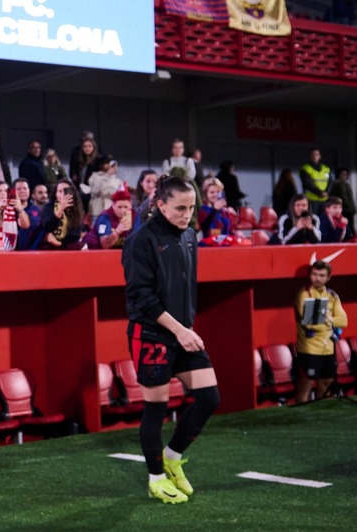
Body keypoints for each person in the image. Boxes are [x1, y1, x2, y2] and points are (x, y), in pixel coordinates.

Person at [121, 175, 221, 504]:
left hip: (182, 333)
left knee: (209, 397)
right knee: (156, 408)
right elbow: (142, 297)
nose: (186, 214)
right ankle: (156, 478)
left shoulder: (190, 235)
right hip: (151, 333)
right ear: (161, 205)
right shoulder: (140, 240)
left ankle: (173, 457)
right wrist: (179, 329)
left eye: (191, 208)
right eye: (180, 208)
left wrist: (186, 327)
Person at [294, 260, 348, 402]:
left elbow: (343, 321)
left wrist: (326, 320)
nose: (317, 278)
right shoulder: (304, 294)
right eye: (314, 274)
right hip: (309, 349)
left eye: (322, 275)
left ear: (328, 277)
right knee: (306, 384)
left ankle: (322, 417)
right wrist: (330, 320)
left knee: (326, 383)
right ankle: (300, 417)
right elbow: (310, 322)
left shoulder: (332, 296)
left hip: (328, 349)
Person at [42, 179, 85, 250]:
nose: (63, 194)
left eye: (66, 191)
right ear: (55, 194)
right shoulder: (49, 207)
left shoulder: (76, 209)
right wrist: (60, 209)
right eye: (60, 191)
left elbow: (75, 235)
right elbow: (48, 227)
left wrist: (60, 243)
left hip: (66, 247)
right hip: (48, 247)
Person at [14, 178, 45, 250]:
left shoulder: (38, 210)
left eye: (25, 188)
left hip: (34, 250)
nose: (22, 191)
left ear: (29, 190)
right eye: (19, 189)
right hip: (13, 251)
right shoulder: (8, 210)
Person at [300, 148, 331, 215]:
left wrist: (327, 192)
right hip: (312, 199)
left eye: (316, 154)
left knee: (324, 219)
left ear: (320, 156)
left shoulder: (326, 168)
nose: (315, 156)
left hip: (324, 199)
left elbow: (330, 182)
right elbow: (307, 183)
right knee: (313, 218)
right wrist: (320, 192)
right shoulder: (306, 169)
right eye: (313, 154)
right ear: (310, 156)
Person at [329, 167, 356, 238]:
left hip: (348, 208)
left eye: (346, 174)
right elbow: (344, 197)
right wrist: (350, 207)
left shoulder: (346, 184)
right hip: (345, 209)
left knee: (349, 225)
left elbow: (349, 197)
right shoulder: (339, 184)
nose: (344, 176)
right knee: (346, 225)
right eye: (343, 174)